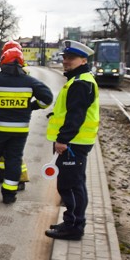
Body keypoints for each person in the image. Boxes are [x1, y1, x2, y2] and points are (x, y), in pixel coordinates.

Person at [0, 47, 54, 204]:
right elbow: (47, 98)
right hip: (20, 130)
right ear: (22, 64)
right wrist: (32, 106)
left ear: (3, 62)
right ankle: (9, 195)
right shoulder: (30, 82)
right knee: (14, 160)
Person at [45, 40, 99, 240]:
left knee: (70, 185)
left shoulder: (81, 83)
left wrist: (62, 139)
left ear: (83, 60)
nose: (66, 61)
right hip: (76, 142)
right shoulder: (79, 80)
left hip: (73, 143)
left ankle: (74, 227)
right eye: (65, 58)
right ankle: (71, 221)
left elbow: (76, 116)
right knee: (74, 183)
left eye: (71, 58)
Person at [0, 40, 30, 189]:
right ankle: (2, 174)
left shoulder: (19, 70)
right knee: (6, 151)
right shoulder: (24, 69)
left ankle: (19, 179)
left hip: (10, 115)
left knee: (14, 153)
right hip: (17, 116)